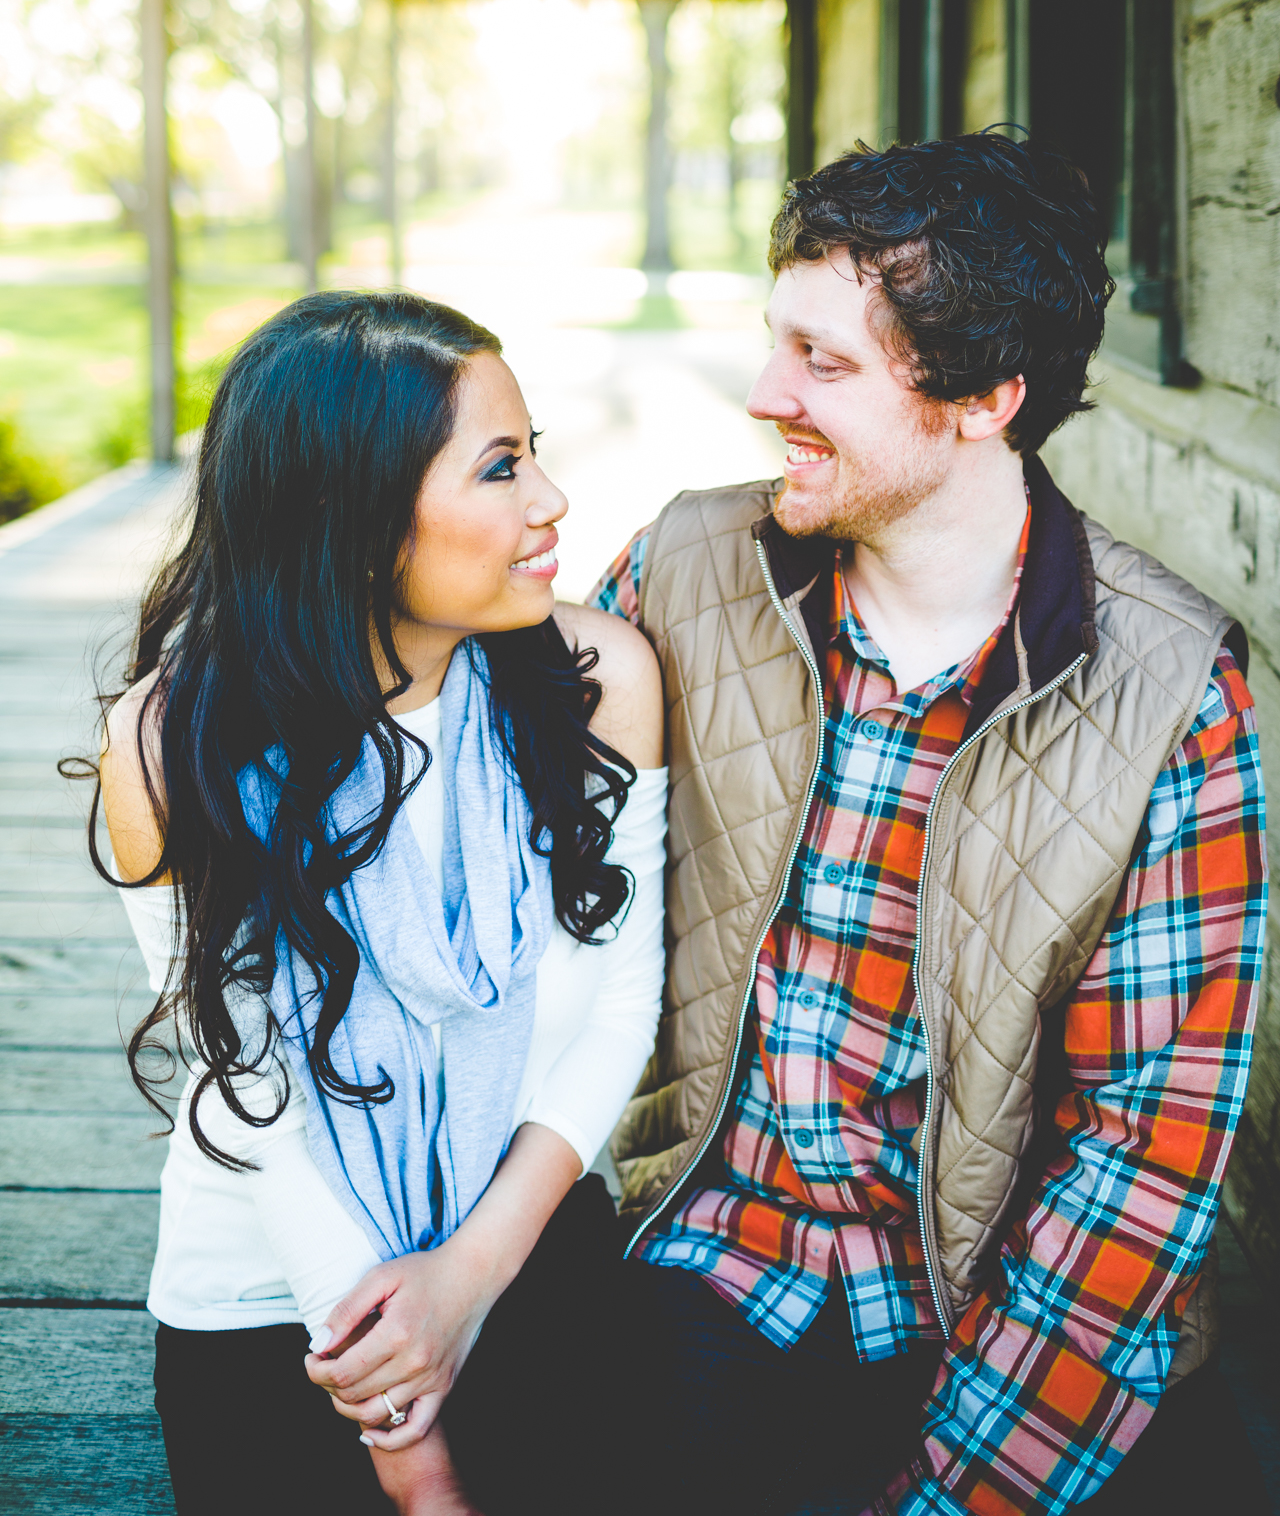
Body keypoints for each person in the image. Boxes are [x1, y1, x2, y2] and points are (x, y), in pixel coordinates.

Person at [590, 134, 1269, 1515]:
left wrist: (954, 1496)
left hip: (984, 1322)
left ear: (986, 399)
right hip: (701, 1260)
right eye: (777, 342)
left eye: (823, 364)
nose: (766, 394)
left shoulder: (1175, 696)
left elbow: (1140, 1168)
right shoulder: (683, 569)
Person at [95, 291, 665, 1516]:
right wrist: (407, 1442)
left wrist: (464, 1280)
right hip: (274, 1289)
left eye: (537, 455)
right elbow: (248, 1089)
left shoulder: (594, 683)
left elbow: (618, 1005)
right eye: (501, 468)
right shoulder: (169, 744)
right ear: (351, 522)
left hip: (525, 1240)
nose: (550, 503)